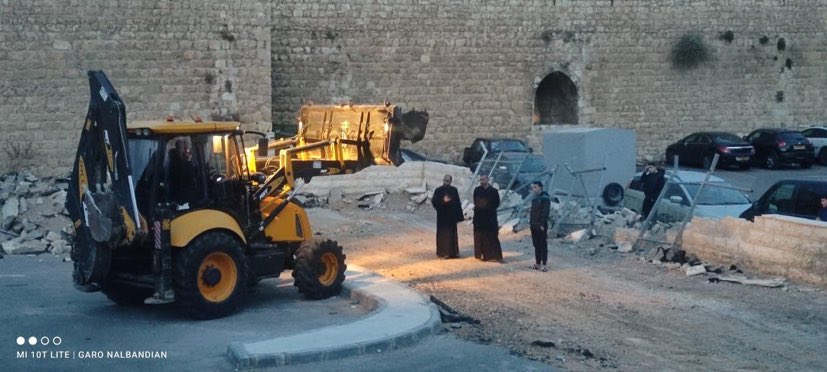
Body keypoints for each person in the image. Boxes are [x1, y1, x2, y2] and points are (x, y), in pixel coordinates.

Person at [431, 175, 464, 259]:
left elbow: (457, 203)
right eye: (444, 180)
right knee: (443, 235)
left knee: (452, 235)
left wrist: (459, 217)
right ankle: (443, 253)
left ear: (450, 182)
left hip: (451, 217)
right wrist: (443, 201)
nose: (445, 182)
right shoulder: (438, 190)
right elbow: (434, 201)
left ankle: (454, 252)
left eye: (447, 181)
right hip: (442, 216)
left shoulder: (454, 190)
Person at [472, 175, 503, 262]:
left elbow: (496, 203)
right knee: (480, 237)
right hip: (479, 217)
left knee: (492, 236)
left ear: (488, 180)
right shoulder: (477, 190)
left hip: (490, 218)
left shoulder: (493, 191)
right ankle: (482, 255)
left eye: (483, 179)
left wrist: (488, 208)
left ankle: (495, 256)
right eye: (480, 180)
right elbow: (475, 200)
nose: (482, 181)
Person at [529, 181, 551, 272]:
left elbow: (545, 213)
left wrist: (542, 224)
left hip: (541, 225)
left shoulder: (545, 198)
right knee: (536, 244)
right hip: (533, 224)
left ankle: (544, 264)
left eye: (535, 187)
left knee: (542, 244)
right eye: (532, 187)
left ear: (540, 187)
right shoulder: (534, 198)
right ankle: (537, 263)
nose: (533, 189)